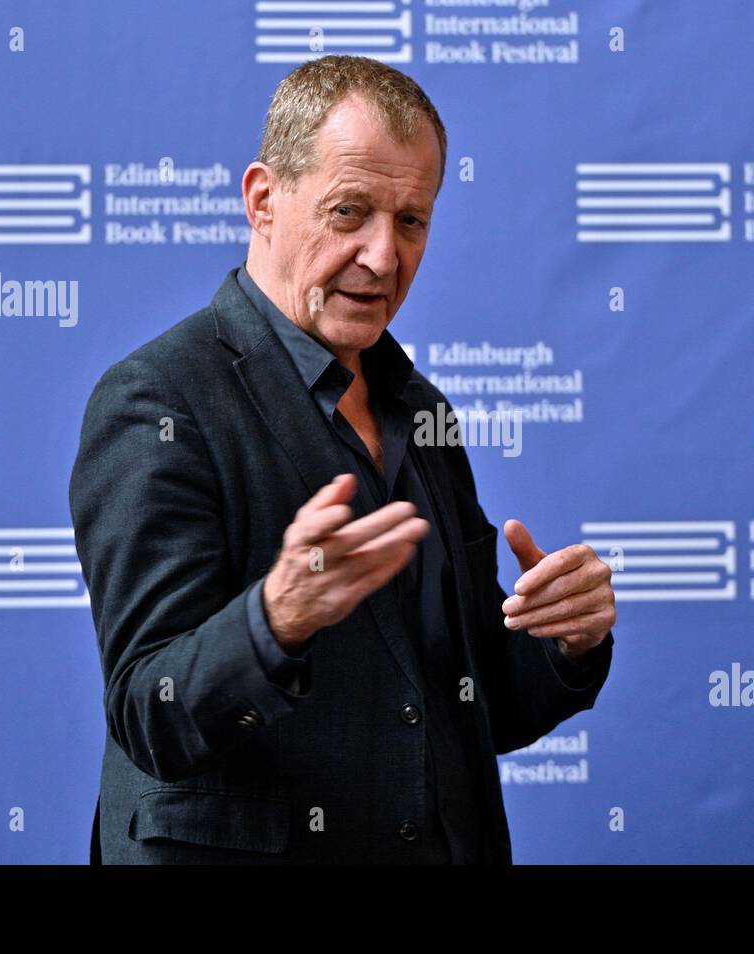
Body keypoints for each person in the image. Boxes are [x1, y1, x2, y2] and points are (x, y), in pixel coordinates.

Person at [69, 54, 615, 864]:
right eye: (349, 211)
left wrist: (565, 643)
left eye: (411, 221)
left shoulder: (421, 410)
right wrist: (275, 618)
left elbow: (471, 704)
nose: (383, 257)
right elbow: (154, 712)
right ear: (263, 199)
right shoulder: (158, 401)